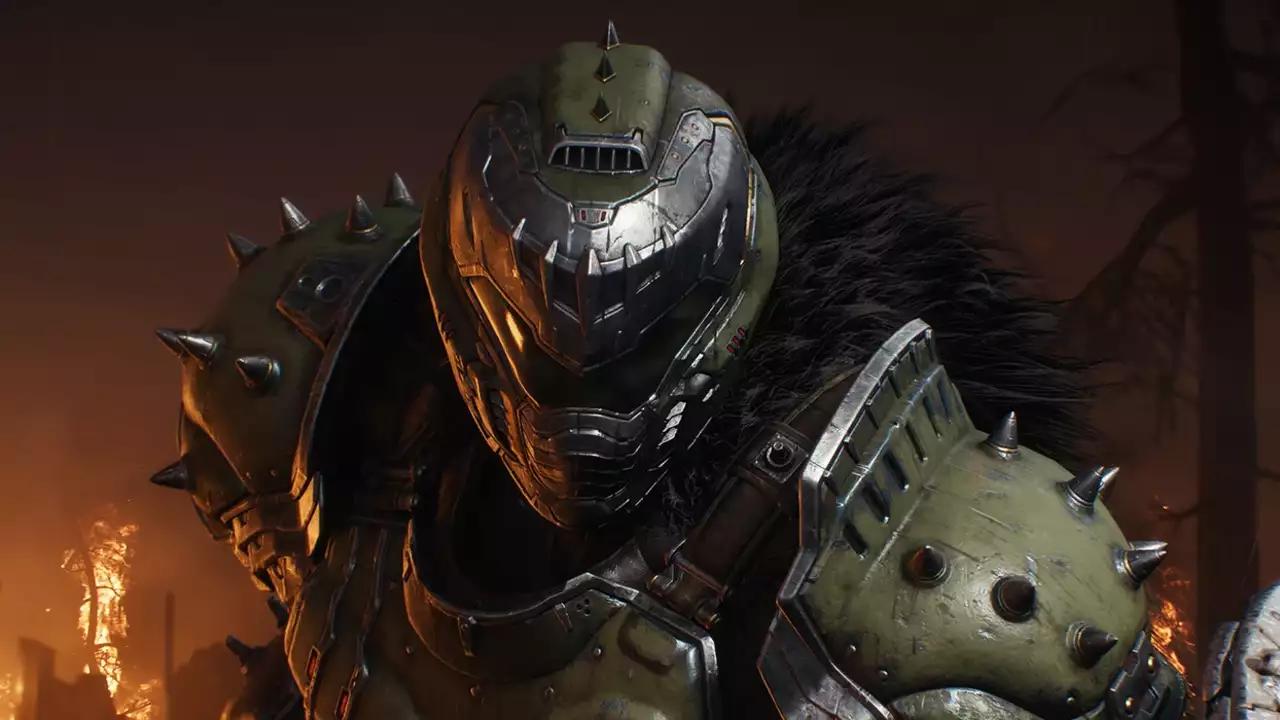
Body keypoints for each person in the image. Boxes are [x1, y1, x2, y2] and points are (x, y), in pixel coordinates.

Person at [155, 22, 1273, 720]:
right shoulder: (332, 411)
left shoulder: (921, 542)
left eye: (625, 310)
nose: (583, 397)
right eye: (542, 302)